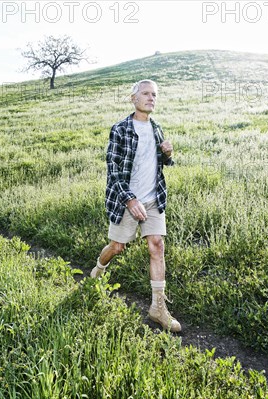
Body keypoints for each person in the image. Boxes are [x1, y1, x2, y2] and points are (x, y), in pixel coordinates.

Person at [91, 79, 181, 333]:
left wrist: (167, 154)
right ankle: (99, 269)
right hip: (126, 200)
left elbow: (160, 164)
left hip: (152, 200)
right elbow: (114, 172)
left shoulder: (157, 128)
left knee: (157, 245)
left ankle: (158, 308)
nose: (151, 98)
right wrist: (130, 200)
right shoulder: (120, 129)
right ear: (133, 98)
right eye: (145, 93)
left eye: (154, 94)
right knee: (117, 247)